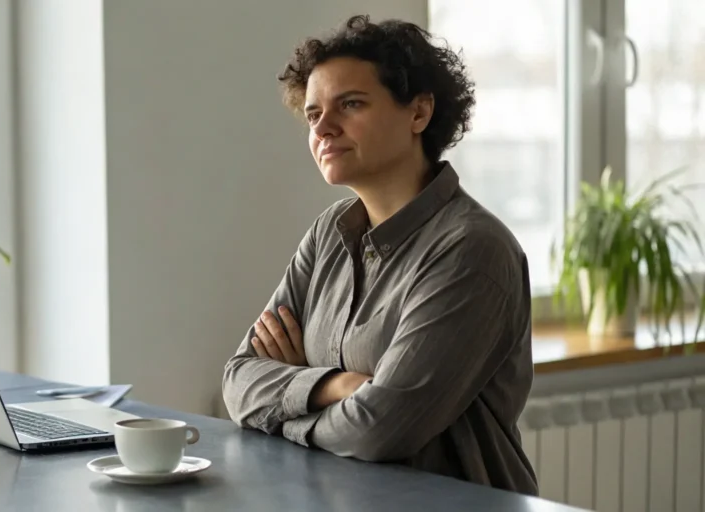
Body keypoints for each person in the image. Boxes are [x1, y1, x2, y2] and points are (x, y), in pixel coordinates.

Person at [220, 14, 538, 495]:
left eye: (349, 104)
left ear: (419, 113)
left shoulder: (472, 250)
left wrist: (285, 408)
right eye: (312, 114)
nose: (323, 127)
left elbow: (379, 429)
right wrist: (333, 385)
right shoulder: (330, 231)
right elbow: (238, 380)